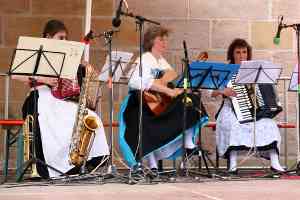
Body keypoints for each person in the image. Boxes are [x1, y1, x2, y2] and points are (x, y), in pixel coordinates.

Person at [12, 19, 109, 178]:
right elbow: (16, 74)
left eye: (65, 38)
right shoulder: (37, 51)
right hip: (40, 97)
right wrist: (44, 79)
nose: (64, 41)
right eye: (60, 37)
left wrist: (82, 64)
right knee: (55, 123)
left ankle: (83, 162)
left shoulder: (64, 55)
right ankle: (55, 166)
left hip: (59, 100)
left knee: (88, 117)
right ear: (48, 37)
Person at [118, 26, 208, 172]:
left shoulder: (163, 62)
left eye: (166, 40)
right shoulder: (144, 58)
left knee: (191, 100)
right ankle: (152, 165)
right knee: (146, 125)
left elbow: (171, 83)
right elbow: (135, 82)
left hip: (159, 102)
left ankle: (188, 144)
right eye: (161, 40)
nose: (165, 43)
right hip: (139, 102)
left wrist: (179, 88)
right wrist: (166, 90)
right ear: (151, 41)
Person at [211, 38, 284, 173]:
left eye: (244, 52)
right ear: (232, 54)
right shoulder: (225, 71)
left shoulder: (254, 70)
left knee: (269, 124)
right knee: (233, 124)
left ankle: (275, 163)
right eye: (237, 52)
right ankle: (232, 164)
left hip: (253, 110)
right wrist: (222, 91)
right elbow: (211, 92)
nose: (241, 55)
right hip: (230, 109)